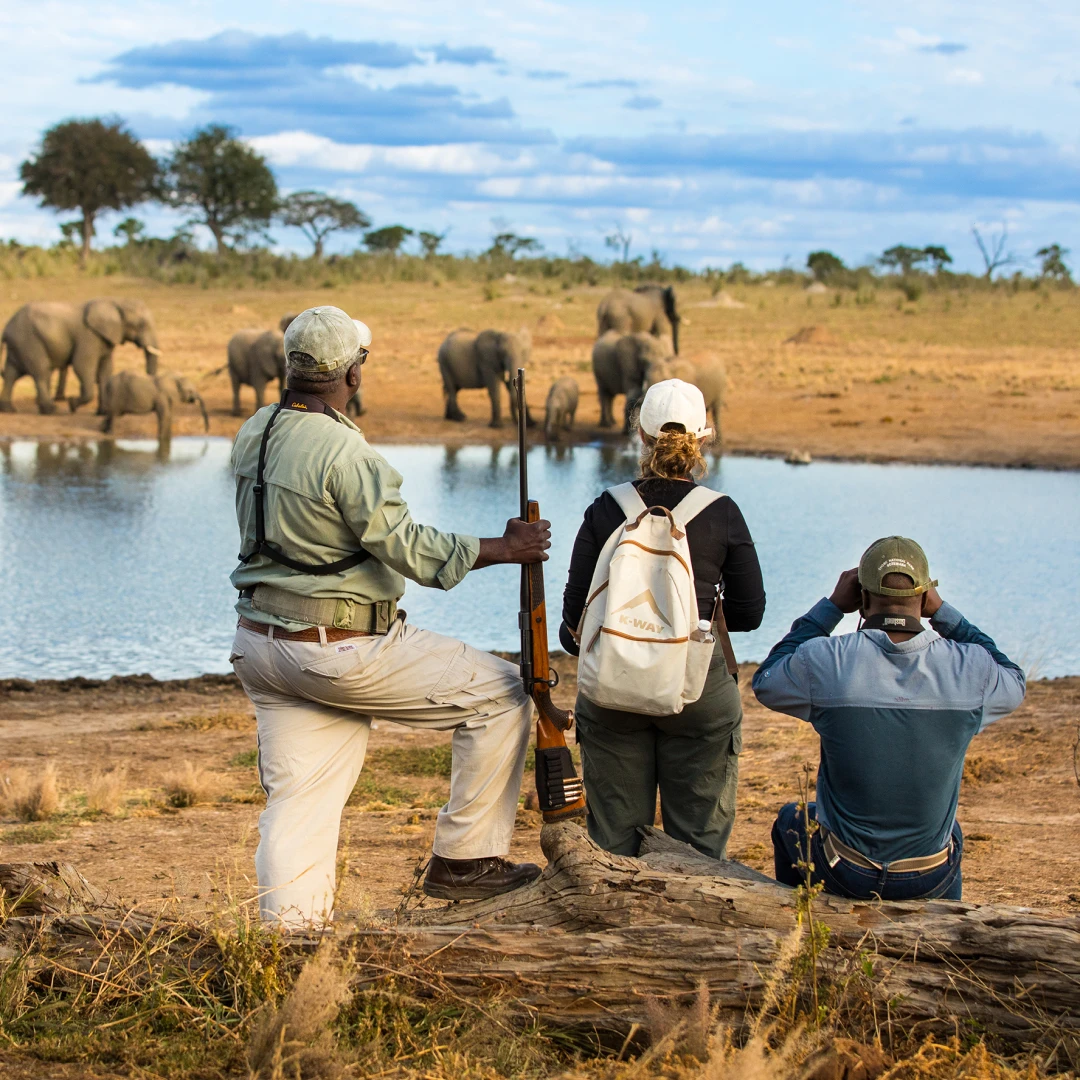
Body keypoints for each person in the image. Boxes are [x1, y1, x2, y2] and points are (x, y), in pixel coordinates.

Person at [228, 306, 552, 926]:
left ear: (290, 365)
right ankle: (465, 860)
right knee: (505, 694)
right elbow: (409, 549)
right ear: (353, 372)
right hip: (337, 646)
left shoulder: (256, 430)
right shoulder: (346, 453)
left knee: (300, 801)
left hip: (261, 645)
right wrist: (503, 549)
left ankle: (290, 943)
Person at [753, 537, 1026, 901]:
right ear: (925, 596)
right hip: (929, 877)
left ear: (861, 598)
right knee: (950, 832)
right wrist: (945, 614)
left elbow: (767, 680)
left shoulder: (825, 660)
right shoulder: (971, 668)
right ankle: (940, 934)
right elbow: (1013, 677)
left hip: (845, 872)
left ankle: (802, 927)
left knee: (792, 818)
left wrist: (832, 607)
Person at [559, 380, 766, 860]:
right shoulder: (723, 512)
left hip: (613, 690)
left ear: (641, 436)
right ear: (701, 442)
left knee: (612, 844)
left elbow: (574, 623)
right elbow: (750, 614)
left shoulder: (606, 508)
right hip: (696, 691)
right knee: (698, 847)